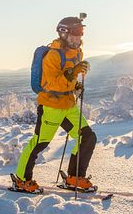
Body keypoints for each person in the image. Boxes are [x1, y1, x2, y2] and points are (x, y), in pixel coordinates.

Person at [12, 16, 96, 193]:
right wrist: (72, 74)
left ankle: (74, 178)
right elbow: (51, 84)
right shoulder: (52, 55)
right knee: (39, 144)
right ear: (63, 33)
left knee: (87, 137)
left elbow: (68, 80)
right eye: (75, 33)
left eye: (81, 33)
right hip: (51, 107)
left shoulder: (78, 52)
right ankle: (21, 180)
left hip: (69, 105)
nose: (78, 37)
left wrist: (76, 85)